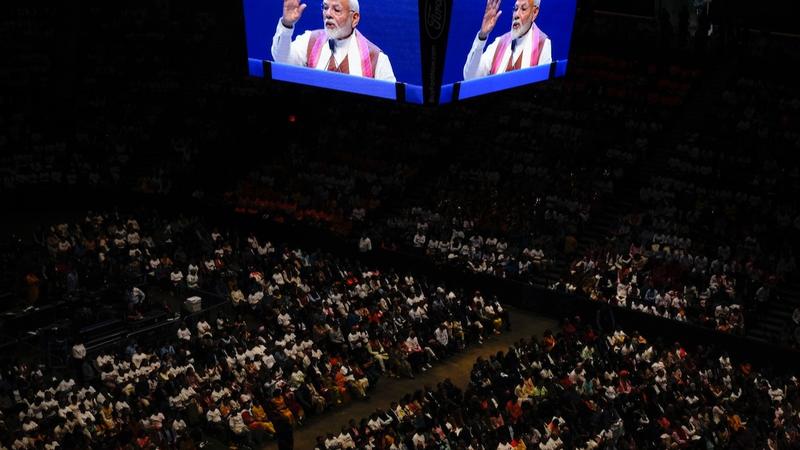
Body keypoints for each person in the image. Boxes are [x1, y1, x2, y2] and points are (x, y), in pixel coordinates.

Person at [272, 0, 396, 81]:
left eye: (336, 10)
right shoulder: (310, 40)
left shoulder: (376, 58)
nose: (328, 14)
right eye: (325, 8)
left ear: (355, 18)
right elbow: (282, 60)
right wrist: (287, 25)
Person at [463, 0, 552, 80]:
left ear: (534, 12)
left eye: (523, 9)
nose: (516, 15)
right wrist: (482, 36)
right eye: (515, 9)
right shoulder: (499, 43)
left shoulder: (542, 44)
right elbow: (470, 77)